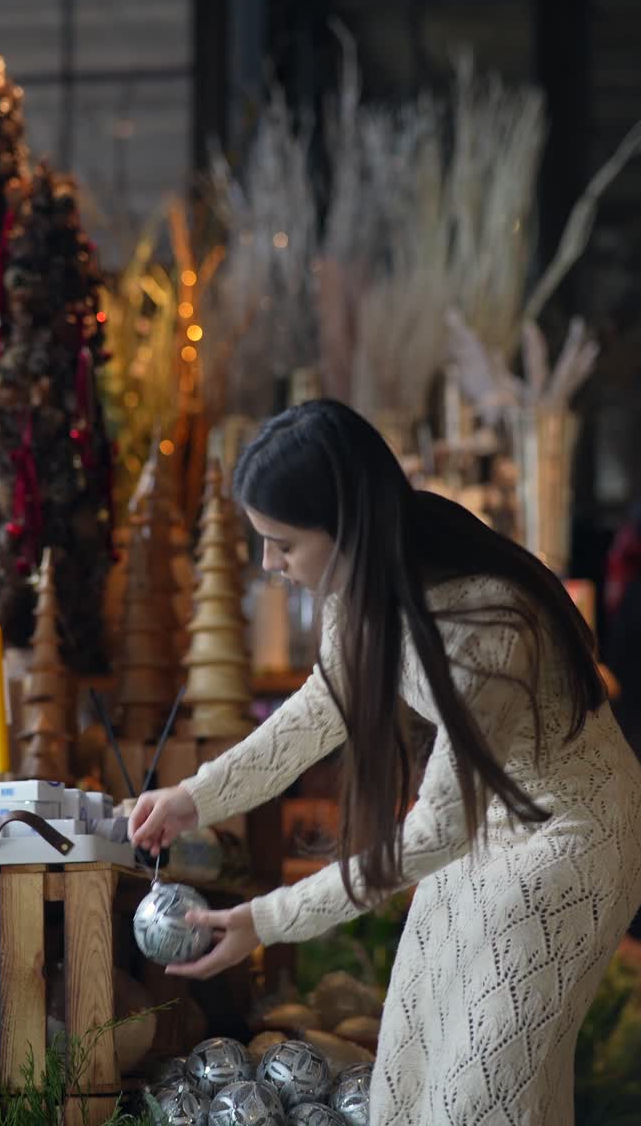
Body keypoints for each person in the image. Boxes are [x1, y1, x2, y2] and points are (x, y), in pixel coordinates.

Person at [129, 399, 641, 1126]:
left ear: (348, 530)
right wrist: (196, 798)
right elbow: (320, 709)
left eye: (282, 543)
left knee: (485, 1084)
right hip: (490, 814)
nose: (270, 564)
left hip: (573, 840)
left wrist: (262, 920)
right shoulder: (358, 585)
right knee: (416, 1046)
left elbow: (429, 836)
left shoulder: (484, 632)